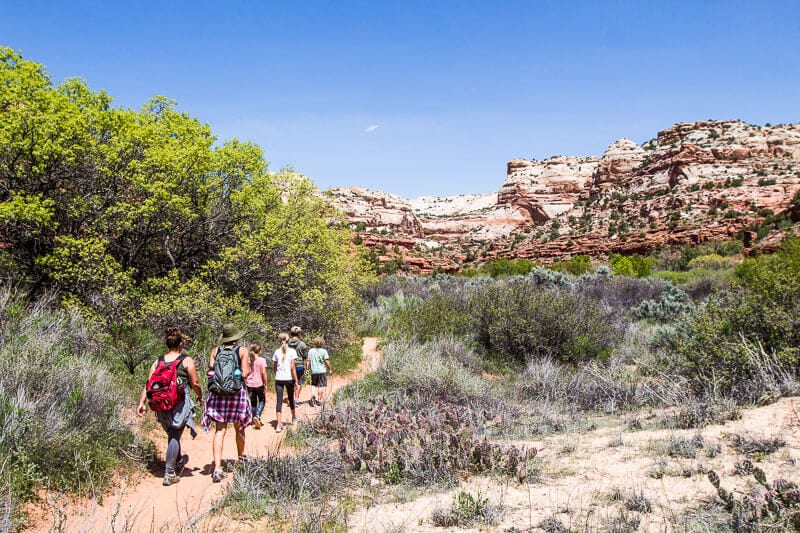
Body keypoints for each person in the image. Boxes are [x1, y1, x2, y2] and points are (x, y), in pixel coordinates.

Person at [137, 326, 202, 486]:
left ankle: (178, 459)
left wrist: (141, 403)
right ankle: (169, 472)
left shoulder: (158, 361)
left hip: (161, 403)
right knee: (174, 435)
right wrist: (201, 396)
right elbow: (195, 382)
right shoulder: (186, 360)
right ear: (180, 344)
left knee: (172, 434)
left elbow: (149, 384)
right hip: (178, 402)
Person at [202, 322, 251, 483]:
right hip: (236, 394)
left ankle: (217, 468)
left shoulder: (215, 351)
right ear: (236, 337)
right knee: (240, 428)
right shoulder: (242, 351)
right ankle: (241, 459)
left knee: (220, 430)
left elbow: (211, 371)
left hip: (218, 395)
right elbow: (245, 373)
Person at [272, 332, 299, 433]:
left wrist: (277, 374)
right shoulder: (292, 351)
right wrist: (296, 380)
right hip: (289, 379)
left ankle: (279, 424)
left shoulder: (277, 352)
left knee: (279, 401)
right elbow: (292, 367)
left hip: (279, 378)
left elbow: (275, 366)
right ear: (288, 340)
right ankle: (293, 418)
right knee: (291, 398)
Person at [245, 342, 269, 429]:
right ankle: (257, 415)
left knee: (253, 402)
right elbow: (264, 373)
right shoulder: (262, 360)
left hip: (250, 384)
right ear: (260, 351)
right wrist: (266, 384)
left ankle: (254, 417)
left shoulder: (248, 360)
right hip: (259, 384)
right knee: (262, 400)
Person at [307, 336, 332, 407]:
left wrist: (307, 369)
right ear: (322, 343)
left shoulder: (311, 351)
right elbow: (326, 361)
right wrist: (330, 369)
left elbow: (308, 361)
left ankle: (313, 395)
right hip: (322, 371)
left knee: (313, 384)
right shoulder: (324, 351)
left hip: (314, 371)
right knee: (321, 385)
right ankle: (319, 400)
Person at [287, 326, 308, 404]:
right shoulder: (302, 344)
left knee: (291, 383)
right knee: (299, 383)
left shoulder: (287, 343)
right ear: (299, 334)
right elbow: (306, 357)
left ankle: (290, 398)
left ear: (291, 333)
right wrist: (308, 367)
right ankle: (296, 400)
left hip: (289, 365)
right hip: (299, 366)